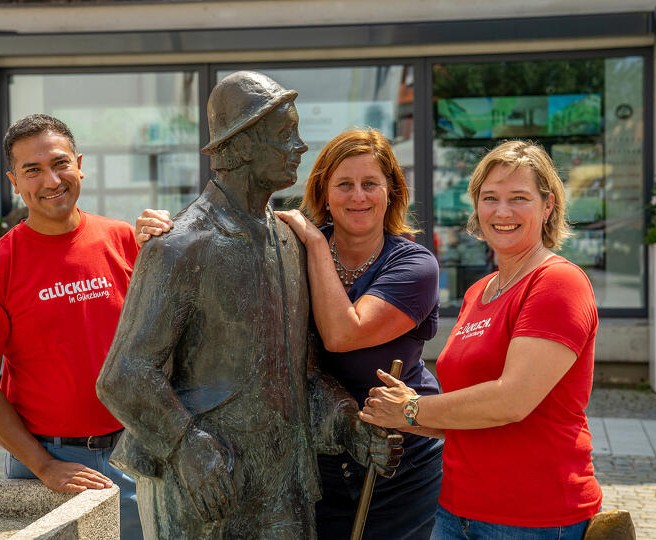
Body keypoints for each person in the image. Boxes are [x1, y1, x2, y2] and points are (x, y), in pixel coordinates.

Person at [96, 71, 403, 540]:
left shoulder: (290, 241)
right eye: (286, 135)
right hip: (206, 488)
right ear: (239, 147)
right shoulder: (180, 247)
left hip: (284, 487)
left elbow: (301, 376)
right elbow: (125, 374)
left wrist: (348, 429)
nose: (301, 147)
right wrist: (184, 444)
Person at [360, 140, 602, 539]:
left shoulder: (557, 282)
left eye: (519, 198)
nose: (502, 211)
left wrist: (413, 409)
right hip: (455, 511)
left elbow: (512, 401)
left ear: (548, 206)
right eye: (489, 198)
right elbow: (467, 418)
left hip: (533, 518)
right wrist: (399, 412)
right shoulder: (480, 291)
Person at [0, 114, 142, 539]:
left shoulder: (124, 240)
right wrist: (43, 465)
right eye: (32, 170)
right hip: (50, 463)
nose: (51, 180)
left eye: (60, 163)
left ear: (79, 164)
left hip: (136, 453)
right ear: (14, 181)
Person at [275, 129, 443, 539]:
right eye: (344, 185)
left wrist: (315, 243)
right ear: (324, 192)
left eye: (370, 184)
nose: (358, 197)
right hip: (319, 456)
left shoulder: (415, 266)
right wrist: (160, 231)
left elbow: (342, 334)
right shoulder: (286, 251)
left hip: (400, 457)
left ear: (391, 192)